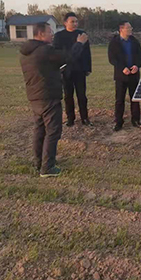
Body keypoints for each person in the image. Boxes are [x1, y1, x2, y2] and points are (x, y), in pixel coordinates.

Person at [20, 22, 88, 177]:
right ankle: (48, 167)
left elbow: (45, 68)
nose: (52, 35)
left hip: (35, 97)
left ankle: (39, 162)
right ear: (40, 34)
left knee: (40, 130)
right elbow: (68, 57)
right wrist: (79, 43)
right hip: (48, 96)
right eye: (50, 32)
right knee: (53, 131)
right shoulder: (44, 50)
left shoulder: (26, 52)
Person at [53, 12, 92, 126]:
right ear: (65, 23)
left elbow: (87, 53)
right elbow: (58, 54)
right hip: (66, 70)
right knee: (68, 96)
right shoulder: (59, 36)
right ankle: (70, 118)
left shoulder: (82, 34)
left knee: (82, 95)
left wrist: (88, 68)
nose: (75, 24)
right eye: (72, 22)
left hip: (80, 70)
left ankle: (85, 118)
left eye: (76, 22)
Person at [108, 21, 141, 131]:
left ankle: (136, 120)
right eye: (128, 28)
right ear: (121, 29)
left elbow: (140, 56)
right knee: (119, 99)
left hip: (133, 74)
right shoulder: (114, 42)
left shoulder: (134, 41)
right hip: (121, 75)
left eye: (131, 28)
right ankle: (118, 122)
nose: (130, 29)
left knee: (135, 98)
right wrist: (122, 68)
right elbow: (112, 59)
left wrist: (137, 65)